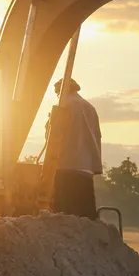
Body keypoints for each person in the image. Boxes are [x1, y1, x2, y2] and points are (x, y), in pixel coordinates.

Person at [48, 78, 103, 219]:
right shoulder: (90, 108)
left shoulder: (64, 106)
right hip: (86, 169)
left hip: (66, 166)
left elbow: (52, 135)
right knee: (86, 217)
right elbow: (97, 135)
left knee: (63, 216)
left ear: (61, 90)